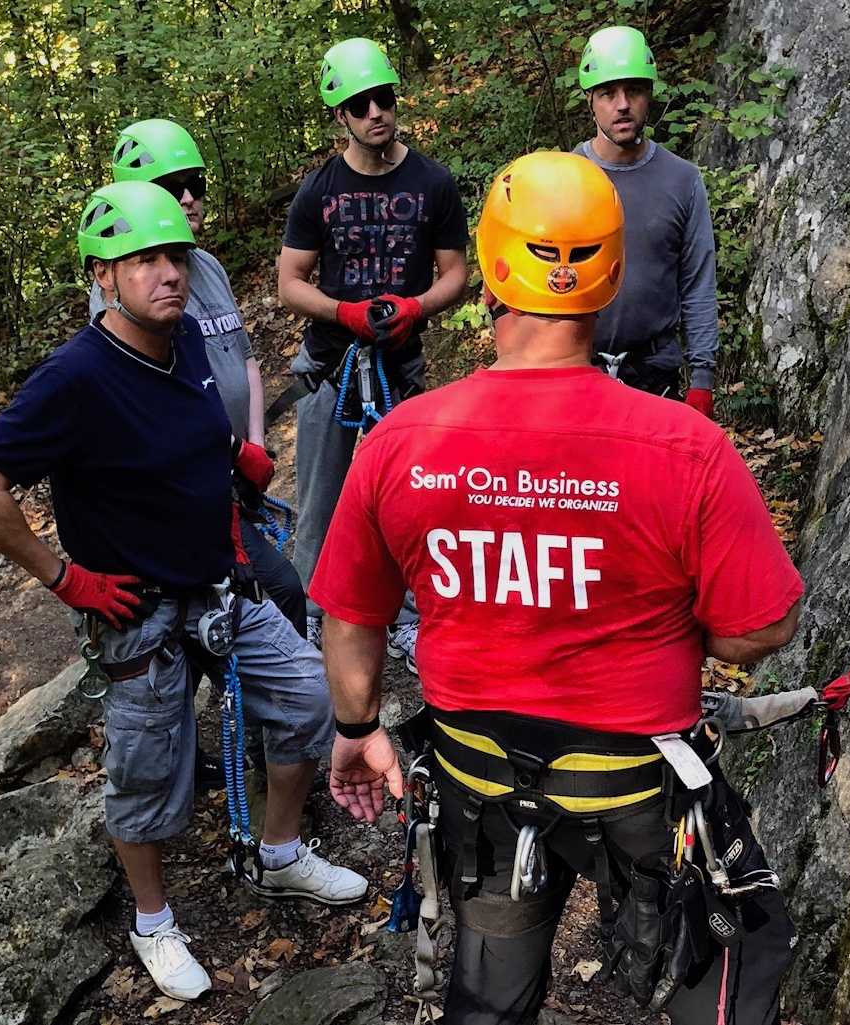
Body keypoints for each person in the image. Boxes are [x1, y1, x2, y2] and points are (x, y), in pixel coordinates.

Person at [309, 152, 804, 1024]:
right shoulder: (685, 447)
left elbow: (352, 613)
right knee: (745, 936)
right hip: (639, 788)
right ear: (609, 272)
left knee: (490, 986)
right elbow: (758, 629)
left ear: (490, 270)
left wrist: (354, 731)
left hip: (480, 784)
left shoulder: (400, 441)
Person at [0, 180, 366, 1005]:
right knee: (145, 776)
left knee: (312, 697)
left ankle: (277, 851)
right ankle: (152, 919)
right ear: (103, 275)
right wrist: (65, 577)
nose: (168, 273)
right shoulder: (75, 376)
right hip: (139, 613)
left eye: (175, 256)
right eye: (144, 260)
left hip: (220, 581)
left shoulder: (182, 348)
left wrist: (229, 467)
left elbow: (174, 445)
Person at [277, 36, 469, 662]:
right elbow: (290, 281)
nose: (375, 113)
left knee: (410, 498)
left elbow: (454, 273)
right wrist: (343, 313)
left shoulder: (432, 182)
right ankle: (308, 621)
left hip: (401, 367)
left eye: (382, 99)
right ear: (341, 116)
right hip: (332, 365)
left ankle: (410, 617)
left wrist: (416, 307)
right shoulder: (319, 190)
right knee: (321, 504)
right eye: (359, 105)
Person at [92, 117, 306, 633]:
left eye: (196, 185)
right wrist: (229, 454)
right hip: (192, 484)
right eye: (171, 189)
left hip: (236, 473)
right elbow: (147, 399)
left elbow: (245, 357)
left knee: (266, 597)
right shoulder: (122, 292)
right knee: (278, 591)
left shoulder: (205, 266)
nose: (188, 199)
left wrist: (255, 443)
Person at [572, 25, 720, 416]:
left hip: (656, 375)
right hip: (577, 371)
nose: (622, 105)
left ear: (649, 95)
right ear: (591, 101)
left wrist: (702, 379)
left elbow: (697, 283)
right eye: (608, 93)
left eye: (633, 91)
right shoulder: (565, 178)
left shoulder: (682, 180)